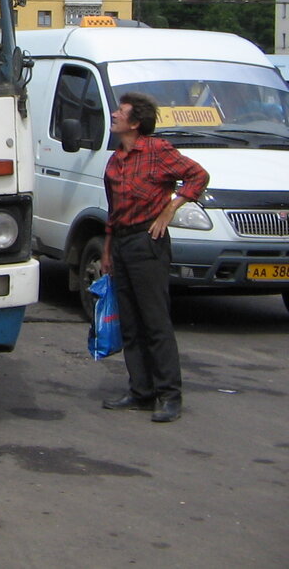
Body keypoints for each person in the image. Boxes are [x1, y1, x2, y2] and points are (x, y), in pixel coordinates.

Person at [100, 91, 208, 423]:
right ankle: (140, 391)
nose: (115, 115)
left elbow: (198, 176)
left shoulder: (158, 151)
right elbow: (114, 210)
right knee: (130, 323)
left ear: (135, 122)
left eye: (121, 112)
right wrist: (107, 251)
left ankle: (169, 396)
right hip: (122, 243)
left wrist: (170, 209)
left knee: (155, 321)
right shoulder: (116, 159)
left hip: (148, 243)